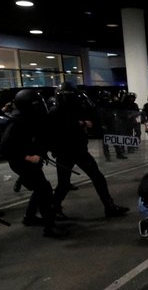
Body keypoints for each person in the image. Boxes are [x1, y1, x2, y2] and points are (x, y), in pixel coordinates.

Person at [48, 83, 129, 219]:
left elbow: (88, 119)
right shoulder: (56, 112)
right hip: (68, 152)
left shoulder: (70, 109)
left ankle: (109, 206)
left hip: (77, 150)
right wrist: (83, 124)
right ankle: (54, 209)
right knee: (66, 184)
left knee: (95, 178)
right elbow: (64, 129)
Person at [1, 89, 69, 238]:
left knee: (40, 189)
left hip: (30, 161)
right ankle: (49, 227)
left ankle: (30, 217)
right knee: (44, 190)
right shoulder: (17, 120)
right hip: (22, 162)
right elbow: (6, 146)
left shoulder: (29, 117)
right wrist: (28, 157)